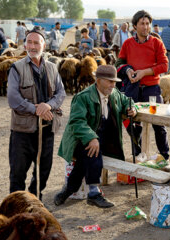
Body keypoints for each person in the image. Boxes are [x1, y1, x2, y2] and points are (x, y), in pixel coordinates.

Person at [54, 65, 136, 208]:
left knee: (85, 159)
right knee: (92, 150)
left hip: (104, 139)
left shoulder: (114, 93)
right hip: (79, 139)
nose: (113, 85)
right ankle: (94, 192)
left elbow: (126, 101)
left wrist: (132, 109)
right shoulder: (82, 97)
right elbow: (77, 122)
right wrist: (91, 138)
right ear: (98, 81)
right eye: (109, 81)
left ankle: (69, 189)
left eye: (114, 81)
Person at [7, 28, 66, 199]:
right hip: (23, 131)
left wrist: (48, 106)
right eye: (29, 42)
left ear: (44, 45)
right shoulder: (16, 68)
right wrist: (37, 109)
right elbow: (13, 99)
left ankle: (35, 201)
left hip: (47, 130)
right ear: (25, 44)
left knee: (43, 172)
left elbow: (61, 93)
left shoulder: (52, 68)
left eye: (36, 42)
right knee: (18, 173)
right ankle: (17, 208)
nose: (32, 46)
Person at [115, 10, 170, 169]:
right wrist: (127, 70)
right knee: (132, 121)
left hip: (151, 90)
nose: (146, 27)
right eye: (142, 23)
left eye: (148, 23)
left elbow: (164, 65)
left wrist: (144, 72)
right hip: (133, 90)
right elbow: (118, 64)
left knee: (157, 121)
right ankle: (138, 154)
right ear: (134, 26)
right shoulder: (127, 44)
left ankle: (165, 157)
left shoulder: (156, 43)